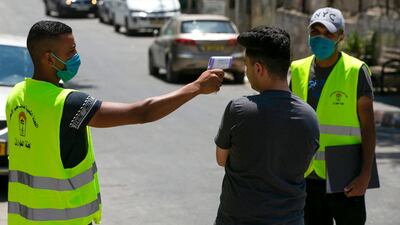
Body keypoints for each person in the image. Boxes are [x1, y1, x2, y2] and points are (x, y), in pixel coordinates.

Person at [6, 20, 224, 225]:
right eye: (71, 52)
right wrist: (196, 87)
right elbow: (142, 113)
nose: (76, 56)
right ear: (49, 58)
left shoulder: (16, 95)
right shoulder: (68, 104)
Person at [213, 26, 320, 225]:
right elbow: (304, 166)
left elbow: (221, 159)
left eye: (247, 65)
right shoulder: (310, 116)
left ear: (259, 68)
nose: (246, 70)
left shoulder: (238, 110)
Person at [289, 7, 376, 225]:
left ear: (340, 37)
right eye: (315, 32)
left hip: (346, 174)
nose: (321, 38)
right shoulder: (297, 69)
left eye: (328, 33)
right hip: (307, 174)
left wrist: (365, 174)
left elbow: (368, 127)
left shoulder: (356, 71)